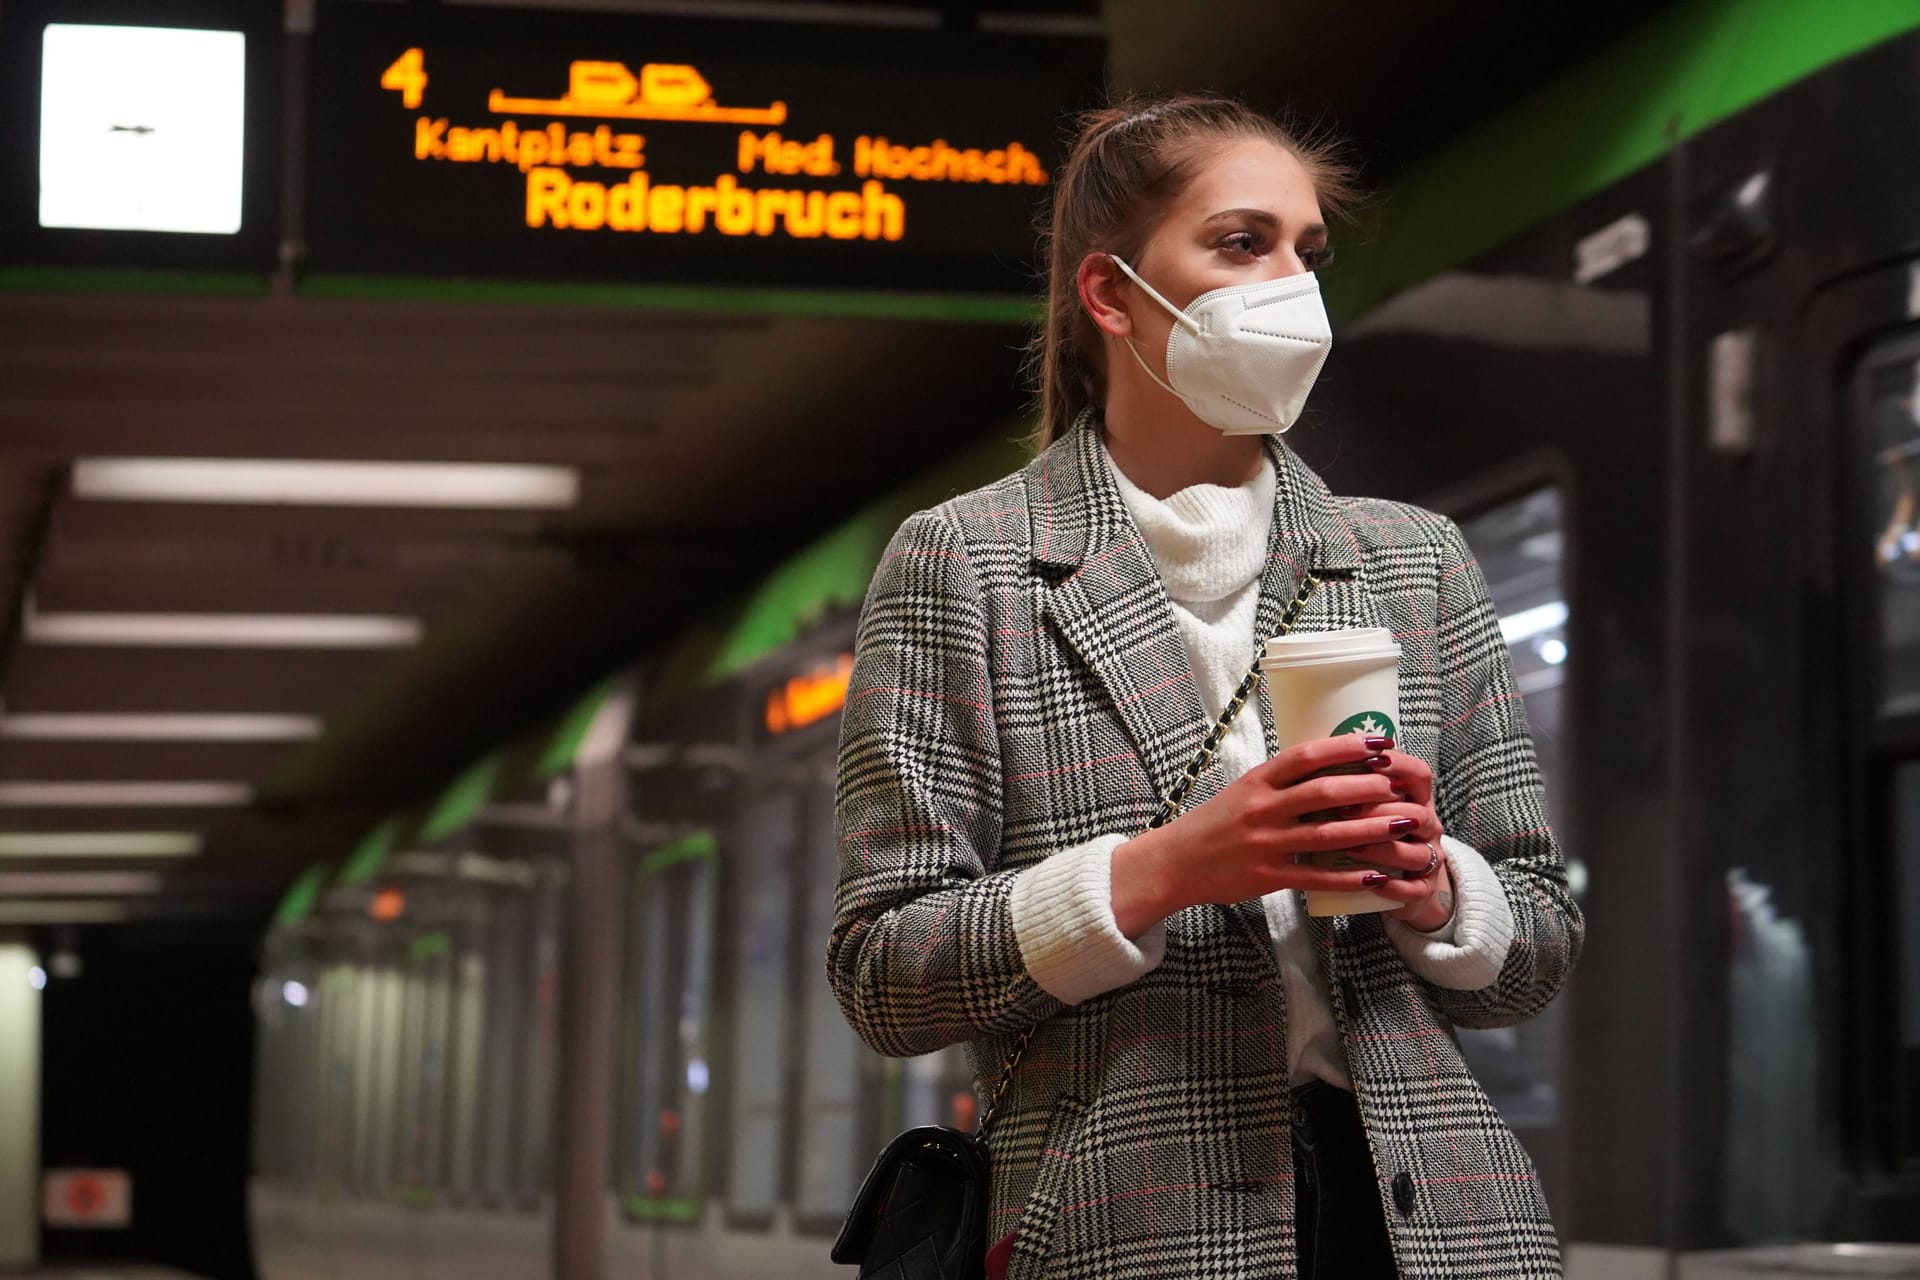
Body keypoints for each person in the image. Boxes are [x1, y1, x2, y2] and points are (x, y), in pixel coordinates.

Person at [828, 94, 1582, 1280]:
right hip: (1124, 1226)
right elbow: (883, 971)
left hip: (1435, 1223)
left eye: (1307, 250)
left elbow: (1536, 942)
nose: (1293, 284)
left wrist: (1434, 884)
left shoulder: (1413, 559)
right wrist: (1168, 870)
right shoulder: (966, 563)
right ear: (1113, 293)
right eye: (1242, 243)